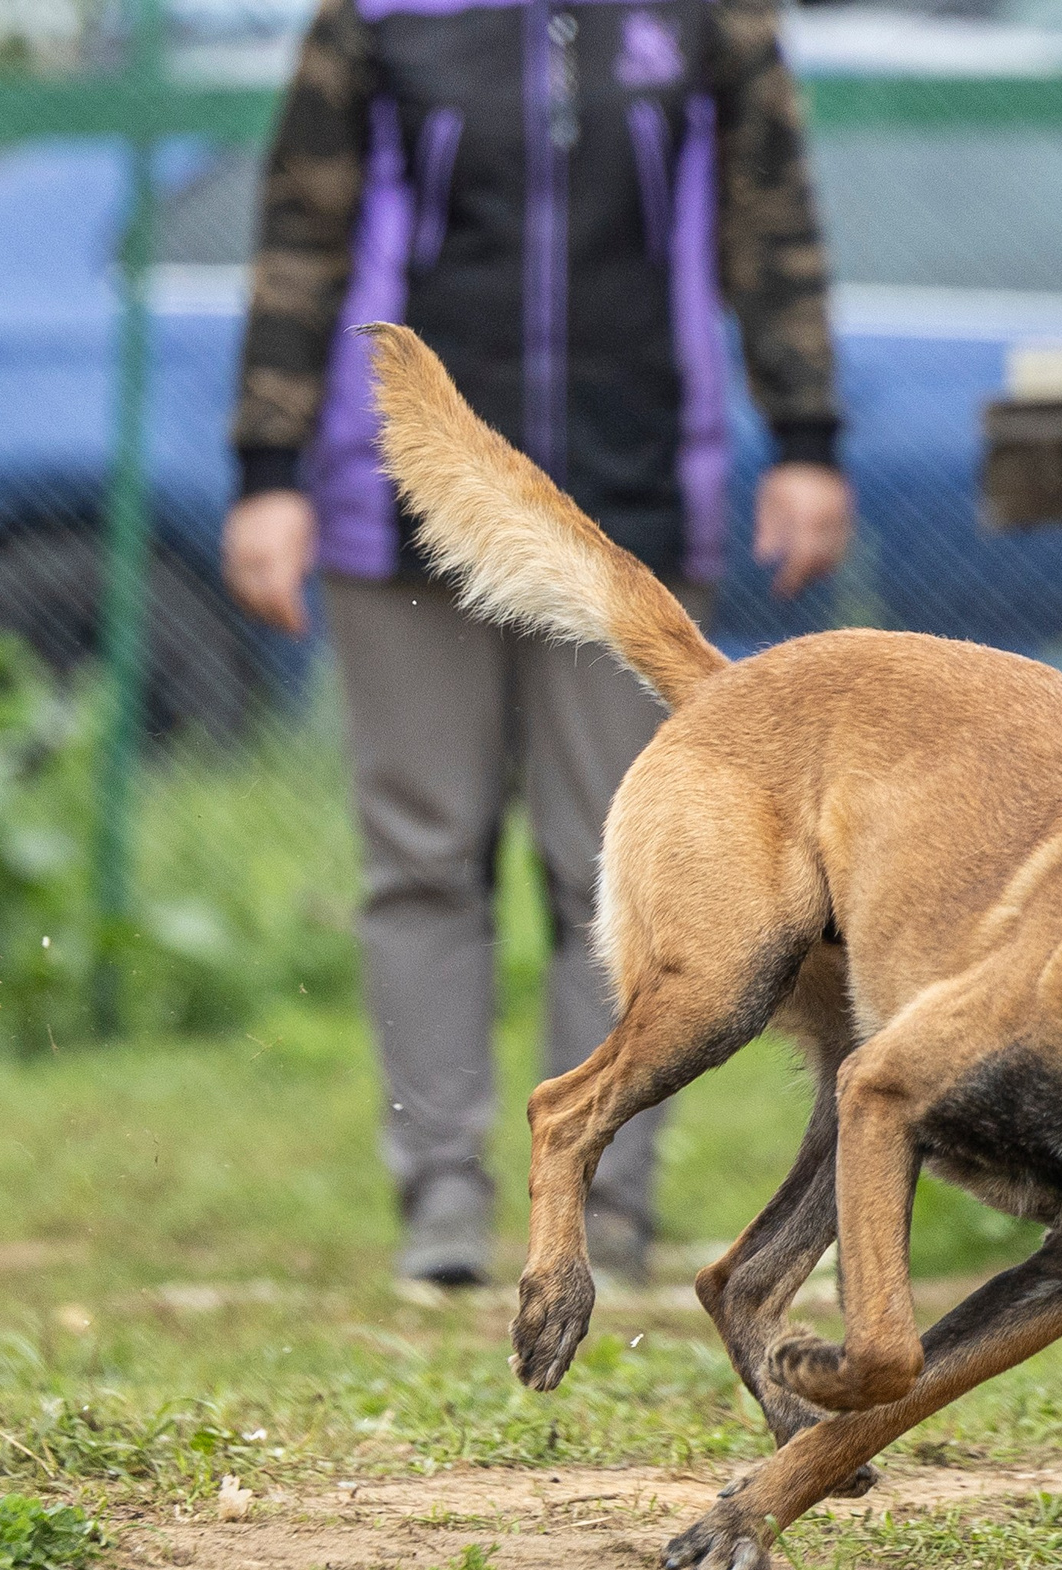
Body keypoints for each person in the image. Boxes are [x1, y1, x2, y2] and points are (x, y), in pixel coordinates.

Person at [221, 0, 851, 1288]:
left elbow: (773, 231)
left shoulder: (715, 24)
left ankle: (607, 1203)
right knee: (421, 857)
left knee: (612, 870)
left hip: (632, 518)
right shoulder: (376, 23)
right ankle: (442, 1201)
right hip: (401, 512)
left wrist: (808, 438)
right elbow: (301, 235)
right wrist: (268, 468)